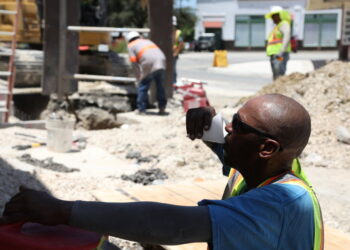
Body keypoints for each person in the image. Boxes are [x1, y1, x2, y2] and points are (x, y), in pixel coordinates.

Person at [0, 94, 323, 249]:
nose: (227, 129)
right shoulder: (271, 166)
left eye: (236, 125)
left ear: (266, 148)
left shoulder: (280, 203)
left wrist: (61, 210)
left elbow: (172, 226)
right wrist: (205, 120)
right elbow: (228, 146)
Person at [125, 31, 167, 115]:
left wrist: (138, 76)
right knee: (160, 86)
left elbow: (134, 63)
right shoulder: (147, 41)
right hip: (162, 61)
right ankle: (162, 108)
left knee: (143, 86)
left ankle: (141, 109)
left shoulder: (131, 45)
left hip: (149, 63)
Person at [265, 6, 292, 80]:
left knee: (279, 72)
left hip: (280, 55)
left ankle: (279, 89)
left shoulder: (284, 24)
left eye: (274, 16)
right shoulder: (277, 26)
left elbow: (286, 37)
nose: (272, 18)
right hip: (275, 54)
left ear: (280, 15)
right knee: (276, 73)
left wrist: (281, 51)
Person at [172, 16, 184, 84]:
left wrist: (176, 52)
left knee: (173, 70)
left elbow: (181, 43)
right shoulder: (166, 31)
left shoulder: (178, 32)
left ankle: (174, 83)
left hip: (174, 54)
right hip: (167, 53)